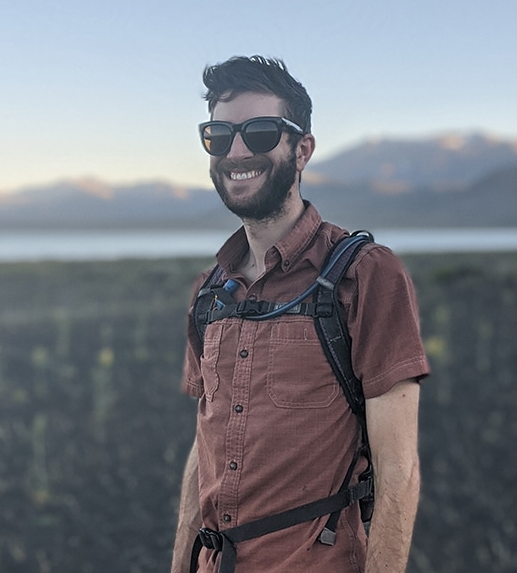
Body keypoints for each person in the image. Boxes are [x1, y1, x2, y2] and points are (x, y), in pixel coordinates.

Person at [171, 55, 429, 573]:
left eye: (261, 133)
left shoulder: (366, 275)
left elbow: (399, 471)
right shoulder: (210, 292)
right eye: (217, 136)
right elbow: (204, 452)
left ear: (302, 149)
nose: (236, 151)